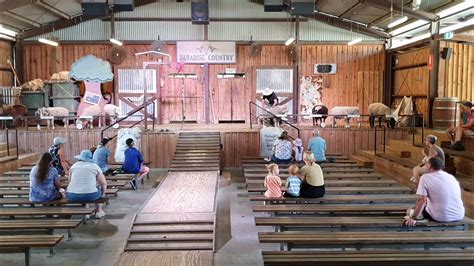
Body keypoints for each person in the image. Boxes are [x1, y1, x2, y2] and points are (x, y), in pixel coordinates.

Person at [404, 157, 465, 226]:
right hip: (459, 215)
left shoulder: (425, 177)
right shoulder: (451, 177)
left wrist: (413, 218)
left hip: (440, 217)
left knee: (410, 211)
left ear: (430, 166)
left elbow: (422, 201)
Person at [67, 150, 107, 218]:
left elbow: (70, 180)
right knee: (98, 188)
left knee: (83, 188)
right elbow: (103, 183)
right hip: (90, 195)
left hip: (72, 195)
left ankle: (86, 212)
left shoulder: (74, 166)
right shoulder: (94, 166)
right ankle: (98, 211)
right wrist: (103, 194)